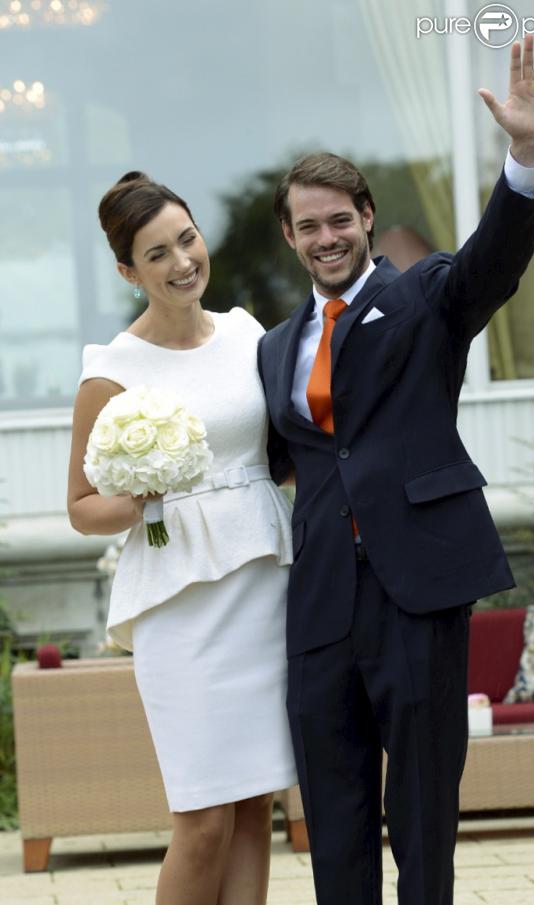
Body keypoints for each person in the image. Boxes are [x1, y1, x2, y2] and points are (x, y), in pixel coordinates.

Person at [258, 37, 534, 905]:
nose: (326, 237)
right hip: (318, 599)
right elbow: (277, 459)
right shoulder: (275, 347)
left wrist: (525, 156)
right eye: (308, 225)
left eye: (340, 219)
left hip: (417, 588)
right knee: (333, 804)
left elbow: (492, 265)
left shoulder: (424, 294)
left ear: (364, 217)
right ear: (289, 235)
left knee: (422, 807)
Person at [67, 172, 297, 905]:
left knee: (254, 802)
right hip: (179, 601)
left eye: (187, 239)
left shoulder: (246, 333)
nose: (181, 262)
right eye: (156, 253)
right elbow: (79, 505)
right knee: (201, 818)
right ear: (128, 271)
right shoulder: (111, 369)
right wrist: (139, 496)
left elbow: (282, 451)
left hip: (264, 580)